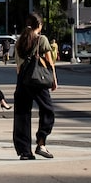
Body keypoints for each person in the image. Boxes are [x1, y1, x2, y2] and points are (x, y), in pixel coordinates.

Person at [12, 13, 57, 161]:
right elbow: (50, 63)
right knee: (48, 110)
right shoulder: (42, 39)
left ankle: (25, 152)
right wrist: (53, 80)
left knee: (22, 115)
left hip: (22, 81)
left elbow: (18, 67)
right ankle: (41, 142)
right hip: (38, 80)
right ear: (40, 25)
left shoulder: (19, 41)